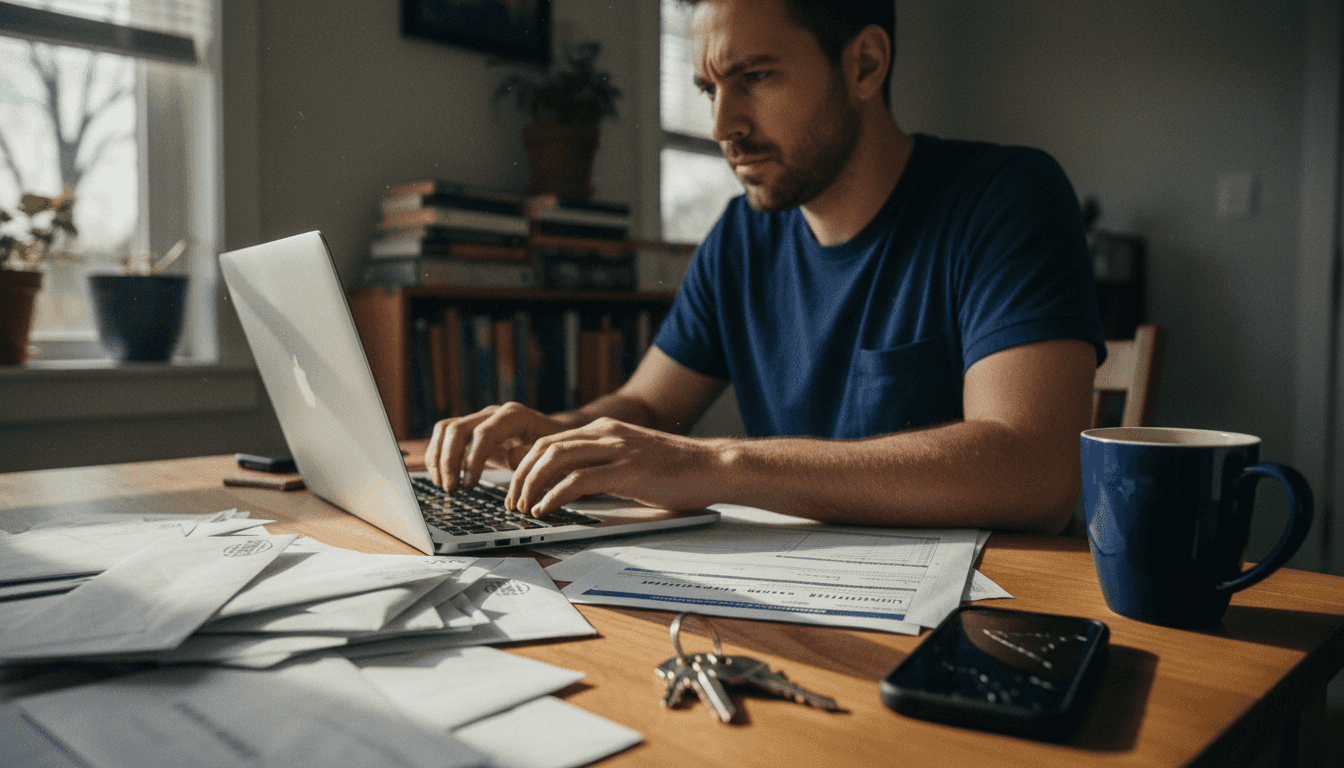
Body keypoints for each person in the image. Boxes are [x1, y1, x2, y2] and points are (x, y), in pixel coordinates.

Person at [426, 0, 1105, 534]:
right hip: (793, 601)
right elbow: (646, 405)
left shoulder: (1005, 196)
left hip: (979, 622)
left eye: (754, 77)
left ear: (864, 65)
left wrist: (717, 463)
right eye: (709, 88)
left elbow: (1038, 471)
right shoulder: (740, 238)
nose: (724, 125)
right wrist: (560, 433)